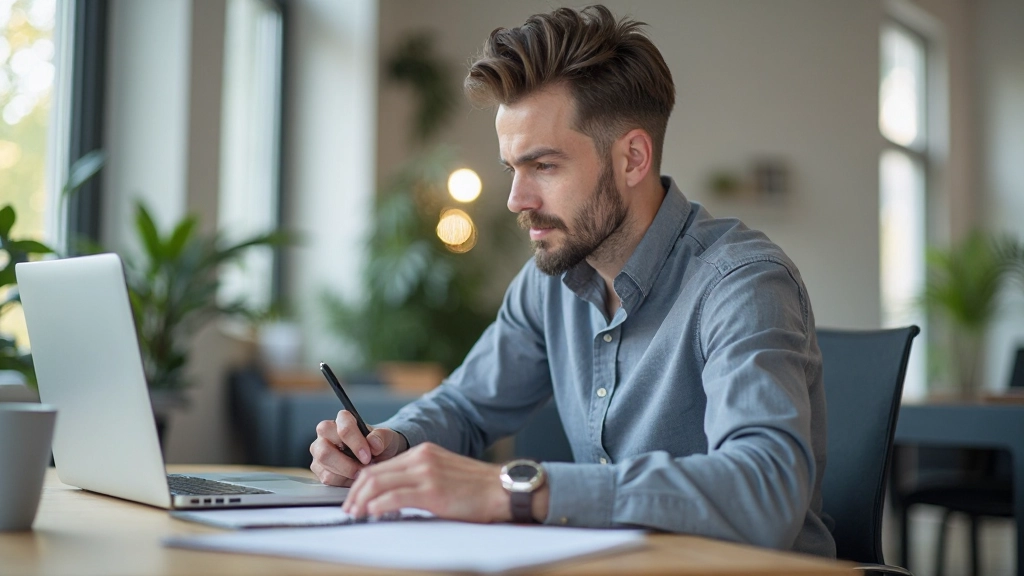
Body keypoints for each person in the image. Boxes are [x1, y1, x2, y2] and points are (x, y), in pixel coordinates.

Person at [310, 5, 835, 557]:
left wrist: (515, 489)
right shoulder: (549, 283)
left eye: (544, 166)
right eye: (512, 169)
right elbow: (467, 407)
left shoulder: (741, 283)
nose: (517, 200)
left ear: (632, 158)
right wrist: (389, 444)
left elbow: (764, 492)